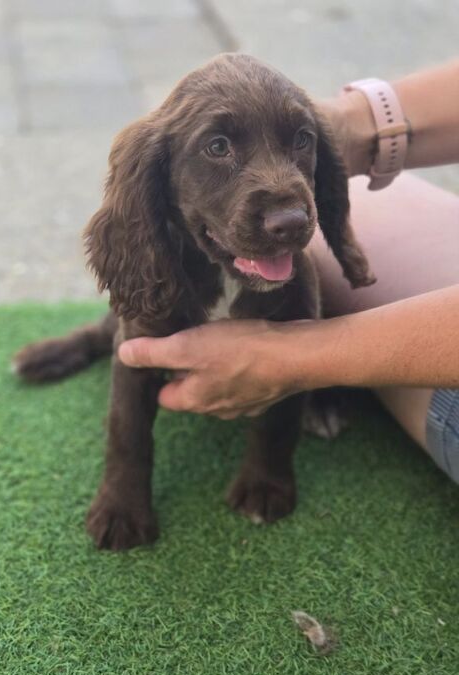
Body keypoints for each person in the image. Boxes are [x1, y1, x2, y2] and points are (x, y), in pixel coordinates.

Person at [119, 60, 459, 483]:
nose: (288, 217)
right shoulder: (157, 221)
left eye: (300, 140)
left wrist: (302, 360)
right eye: (218, 147)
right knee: (392, 197)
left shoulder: (295, 281)